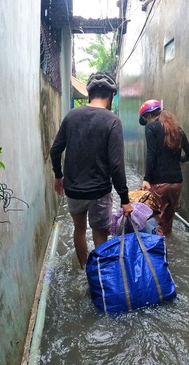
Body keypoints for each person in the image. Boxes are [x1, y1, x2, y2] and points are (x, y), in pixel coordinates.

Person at [50, 72, 133, 268]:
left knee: (79, 229)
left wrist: (58, 176)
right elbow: (116, 165)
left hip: (73, 190)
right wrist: (125, 199)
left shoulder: (72, 116)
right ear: (111, 96)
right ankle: (100, 279)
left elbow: (55, 150)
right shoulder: (112, 121)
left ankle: (83, 269)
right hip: (99, 193)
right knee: (100, 232)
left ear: (90, 94)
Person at [138, 99, 189, 236]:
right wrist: (176, 159)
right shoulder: (177, 130)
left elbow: (151, 154)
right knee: (167, 221)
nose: (146, 121)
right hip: (176, 183)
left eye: (145, 118)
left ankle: (158, 253)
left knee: (155, 221)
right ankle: (167, 248)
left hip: (159, 183)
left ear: (148, 115)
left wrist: (146, 178)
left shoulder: (151, 128)